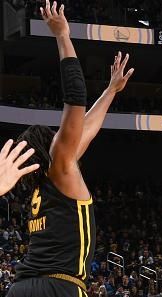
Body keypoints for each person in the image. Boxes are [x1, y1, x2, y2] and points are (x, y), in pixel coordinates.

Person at [7, 1, 133, 296]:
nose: (60, 136)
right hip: (58, 286)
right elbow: (76, 98)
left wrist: (110, 91)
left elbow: (85, 131)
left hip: (21, 287)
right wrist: (63, 35)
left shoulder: (50, 180)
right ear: (50, 145)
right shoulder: (60, 164)